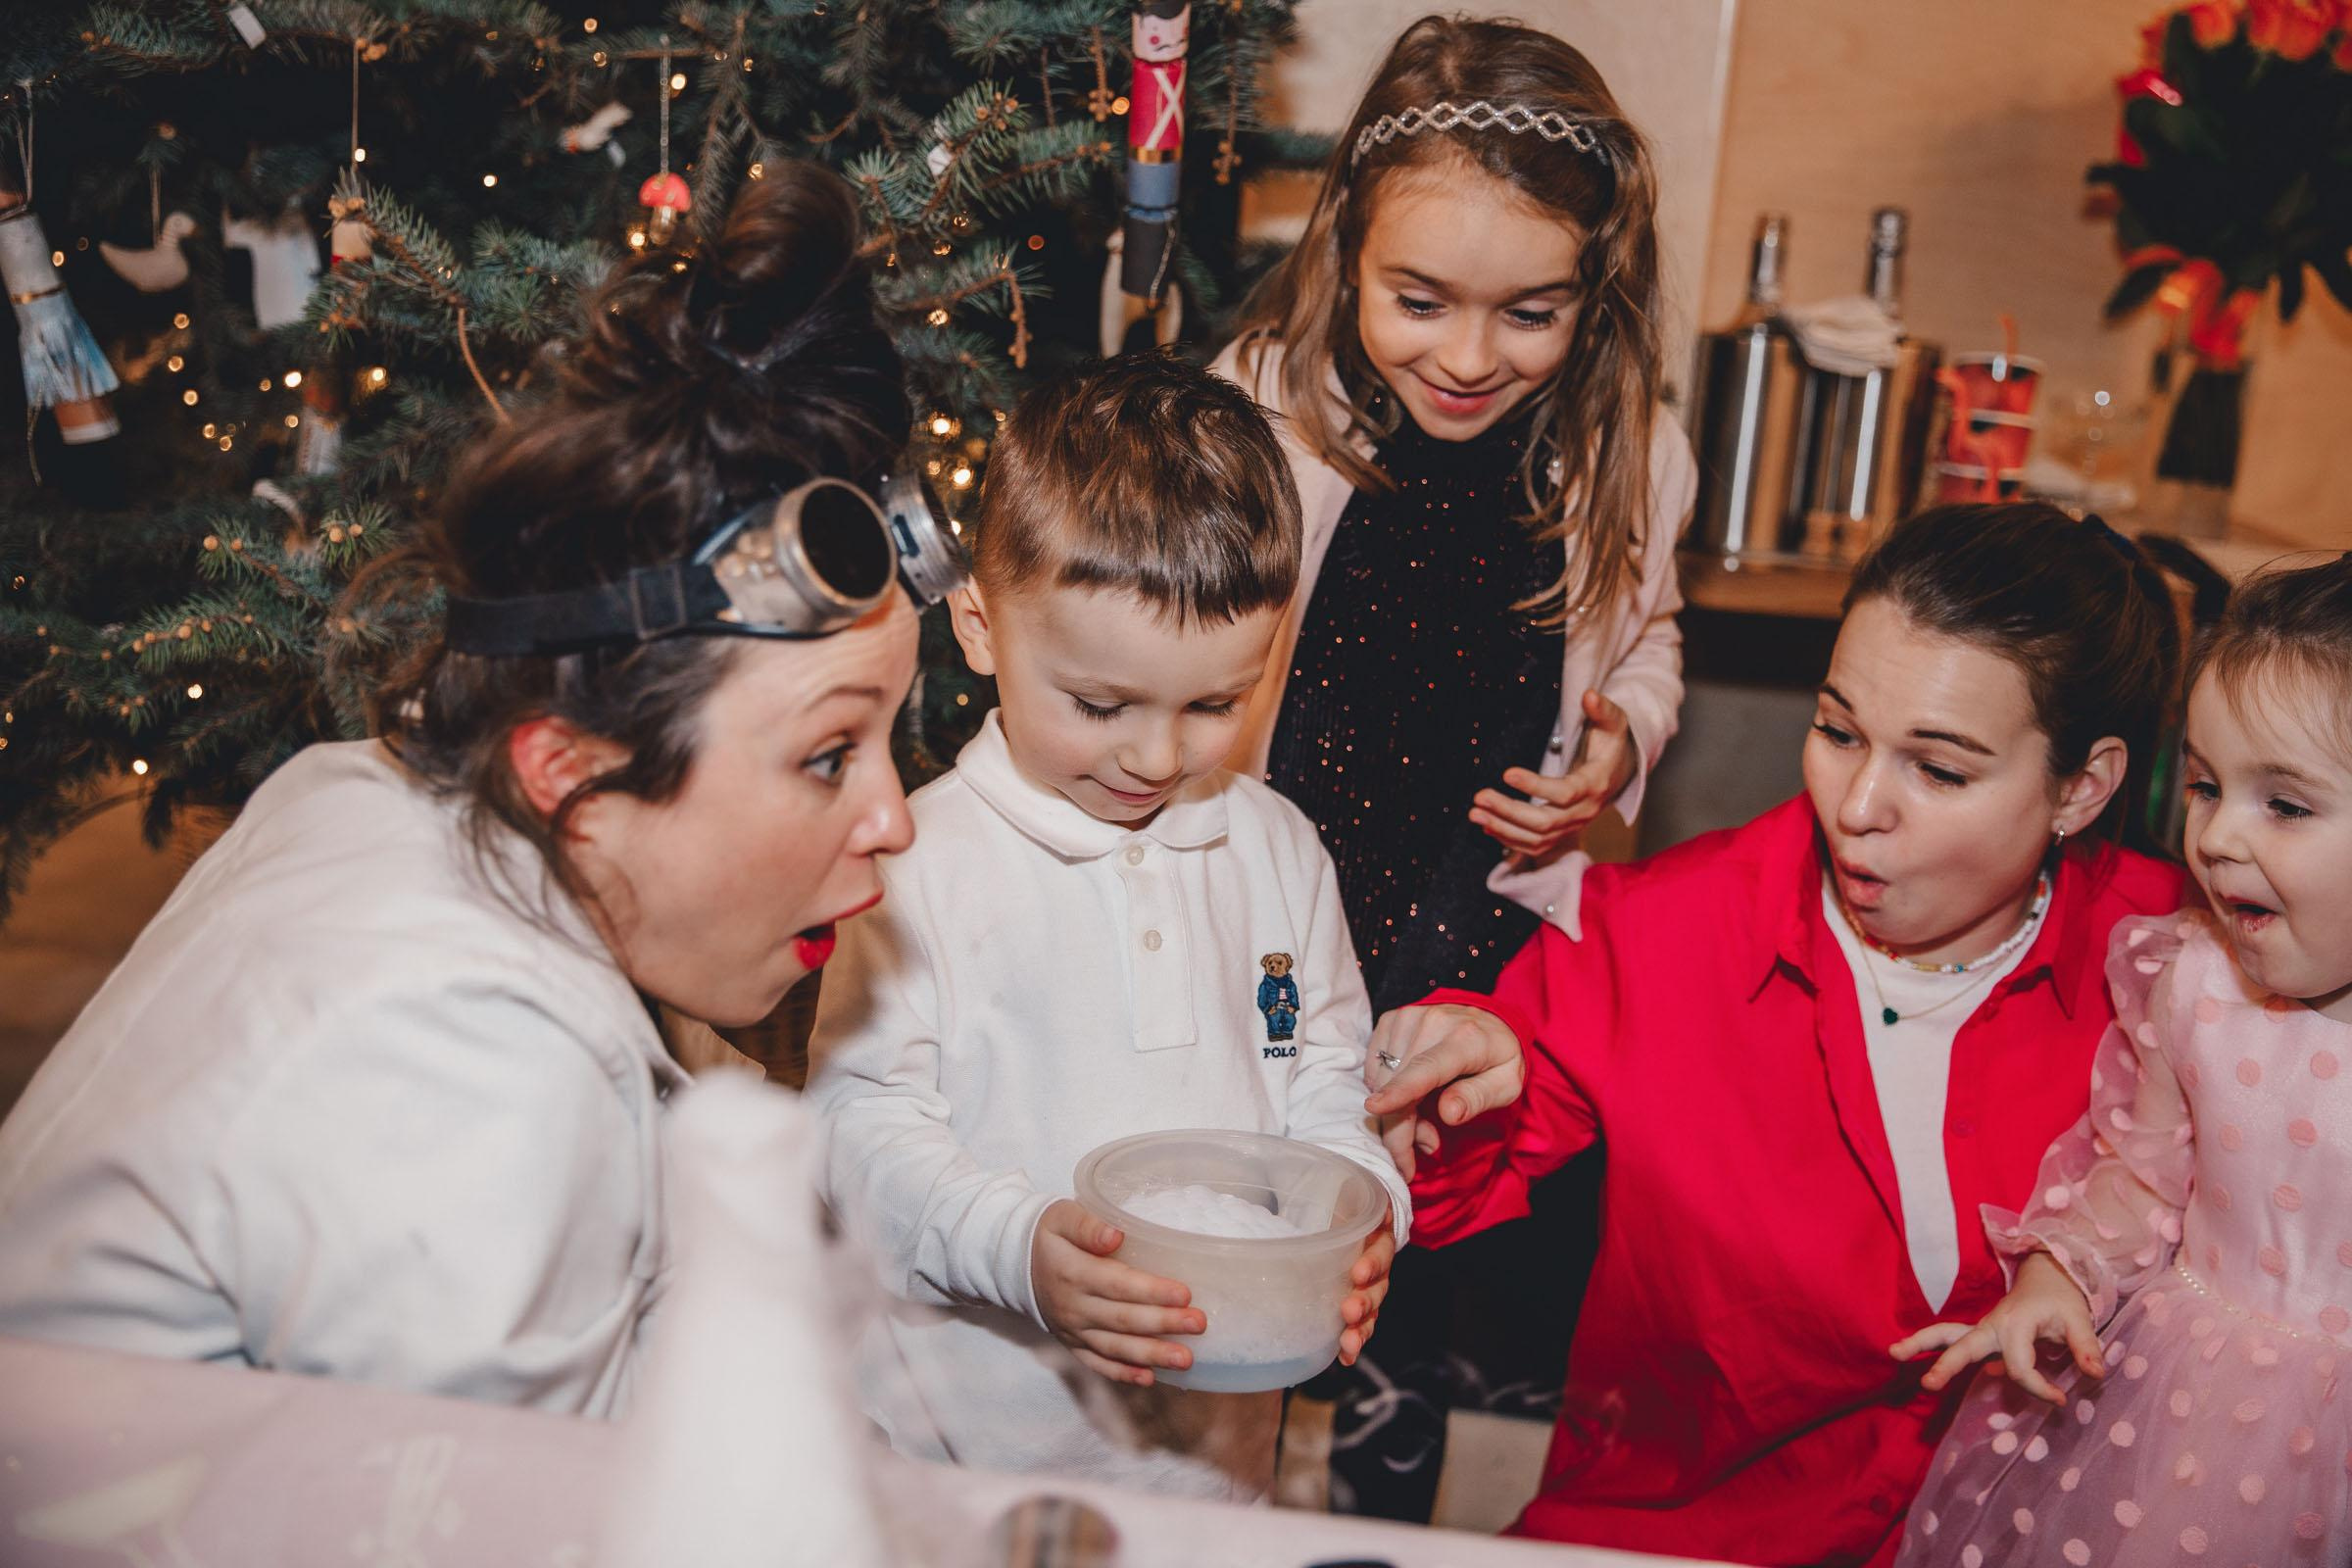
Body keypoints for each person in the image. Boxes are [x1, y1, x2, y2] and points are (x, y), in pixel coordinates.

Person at [0, 164, 946, 1416]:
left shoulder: (358, 786)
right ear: (568, 772)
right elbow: (483, 1503)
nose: (894, 821)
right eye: (829, 754)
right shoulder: (469, 1067)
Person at [1364, 506, 2188, 1565]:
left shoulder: (2181, 963)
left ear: (2083, 788)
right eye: (1839, 732)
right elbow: (1445, 1189)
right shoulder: (1658, 932)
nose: (1858, 805)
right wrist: (1452, 1068)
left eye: (1939, 770)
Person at [1212, 16, 1696, 1511]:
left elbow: (1653, 638)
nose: (1471, 357)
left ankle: (1380, 1514)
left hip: (1461, 924)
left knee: (1410, 1256)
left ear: (1596, 290)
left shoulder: (1632, 453)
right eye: (1418, 302)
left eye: (1530, 313)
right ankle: (1219, 1493)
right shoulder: (1267, 405)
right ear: (1347, 248)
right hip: (1281, 903)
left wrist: (1621, 738)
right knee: (1252, 1213)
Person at [805, 352, 1409, 1501]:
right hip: (955, 1470)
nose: (1157, 755)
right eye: (1099, 704)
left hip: (1214, 1469)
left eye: (1215, 703)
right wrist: (1021, 1250)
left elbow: (1328, 1079)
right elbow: (855, 1128)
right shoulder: (914, 864)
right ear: (980, 628)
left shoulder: (1278, 850)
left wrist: (1358, 1204)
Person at [1894, 554, 2352, 1564]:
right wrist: (2059, 1275)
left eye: (2285, 804)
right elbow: (2140, 1175)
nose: (2216, 836)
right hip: (2184, 1425)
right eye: (2205, 786)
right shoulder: (2198, 985)